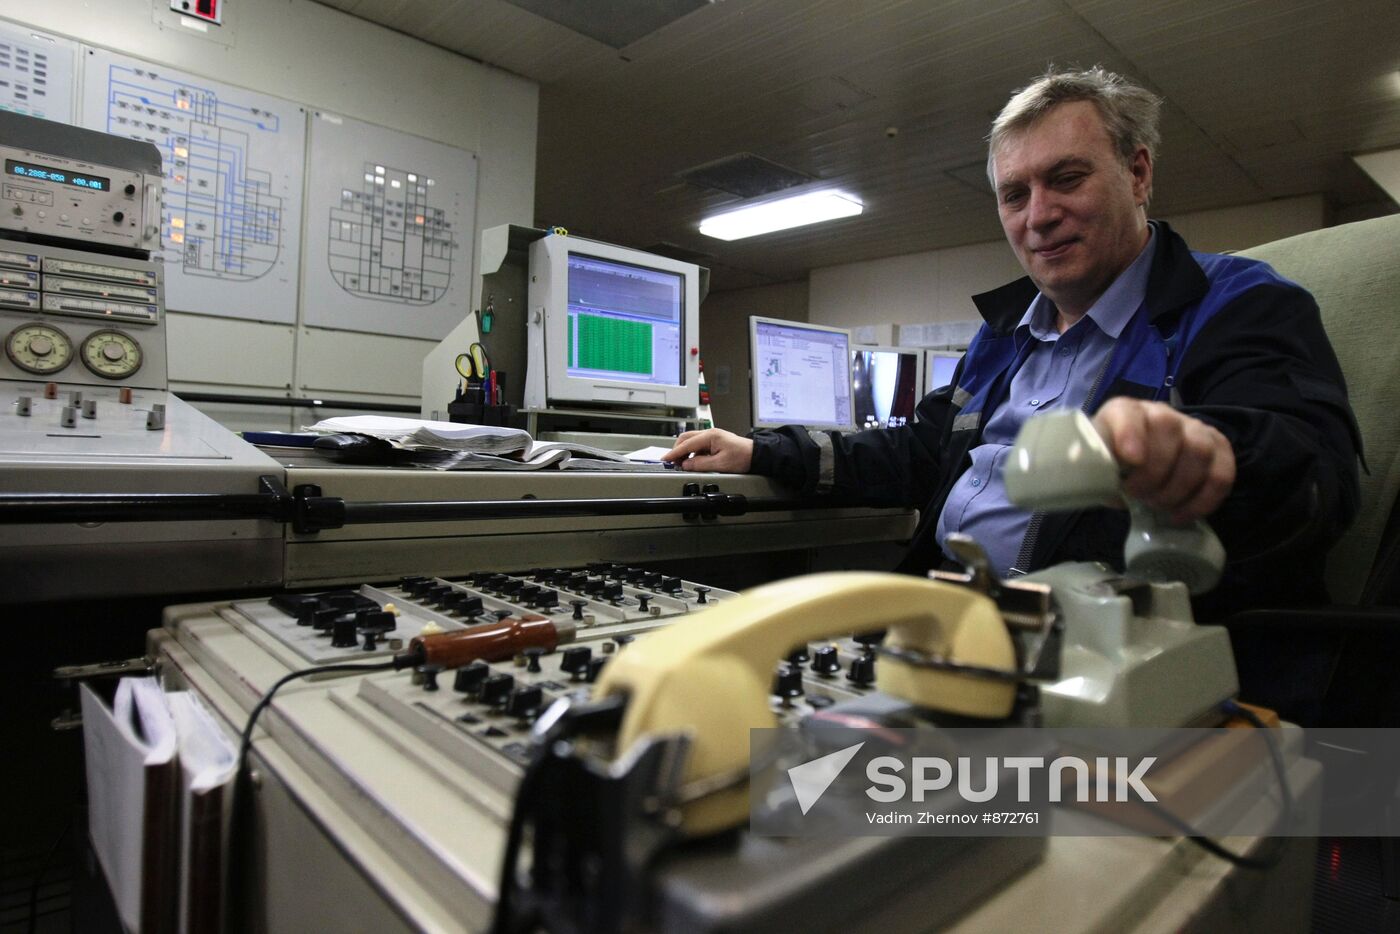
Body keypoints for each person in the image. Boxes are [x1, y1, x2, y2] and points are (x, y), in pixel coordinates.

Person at [663, 66, 1360, 619]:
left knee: (812, 788)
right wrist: (761, 452)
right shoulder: (1001, 339)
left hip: (1099, 656)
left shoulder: (1238, 303)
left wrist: (1213, 454)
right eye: (1014, 194)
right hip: (949, 624)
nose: (1039, 217)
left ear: (1138, 173)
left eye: (1066, 179)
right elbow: (918, 451)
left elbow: (1315, 470)